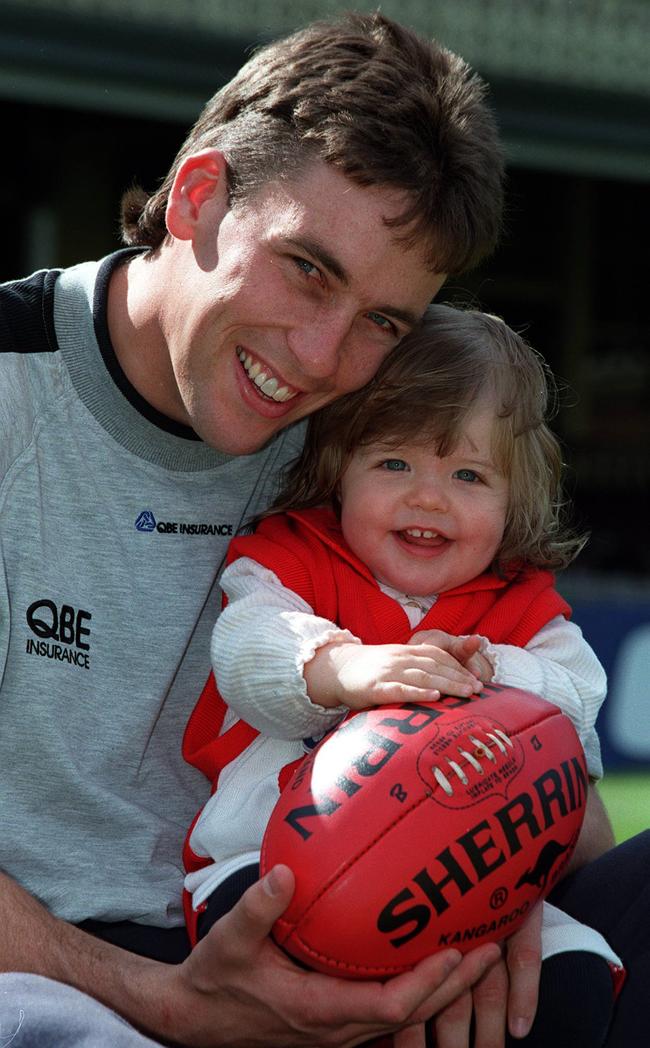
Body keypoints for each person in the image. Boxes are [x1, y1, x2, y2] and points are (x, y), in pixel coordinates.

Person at [0, 10, 535, 1048]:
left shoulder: (370, 447)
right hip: (51, 973)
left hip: (333, 951)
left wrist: (495, 889)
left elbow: (520, 725)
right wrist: (167, 1003)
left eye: (382, 321)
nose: (322, 357)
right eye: (307, 269)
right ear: (199, 197)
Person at [183, 305, 624, 1048]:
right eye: (394, 462)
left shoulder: (523, 608)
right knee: (271, 946)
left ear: (516, 498)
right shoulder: (291, 560)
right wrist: (342, 667)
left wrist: (489, 673)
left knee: (578, 974)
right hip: (272, 862)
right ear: (338, 468)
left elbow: (577, 704)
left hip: (471, 882)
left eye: (468, 473)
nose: (428, 496)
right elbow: (246, 646)